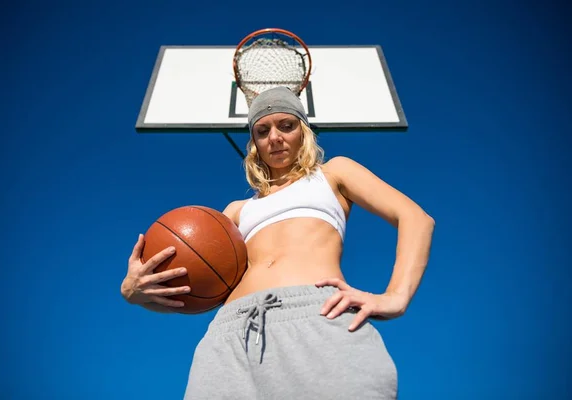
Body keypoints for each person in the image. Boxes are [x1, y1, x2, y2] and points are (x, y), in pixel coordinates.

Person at [121, 86, 435, 399]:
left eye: (287, 125)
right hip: (230, 333)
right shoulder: (236, 211)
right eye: (263, 130)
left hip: (315, 314)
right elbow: (191, 291)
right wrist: (136, 294)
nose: (275, 137)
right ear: (255, 143)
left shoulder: (333, 174)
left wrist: (395, 296)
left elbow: (416, 218)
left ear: (304, 131)